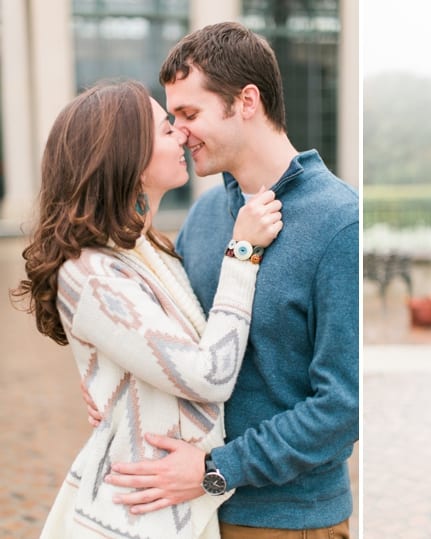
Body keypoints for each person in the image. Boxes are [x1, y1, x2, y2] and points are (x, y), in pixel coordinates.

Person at [96, 22, 359, 538]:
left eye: (190, 114)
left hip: (288, 521)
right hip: (193, 516)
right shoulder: (207, 215)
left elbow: (341, 407)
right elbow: (184, 347)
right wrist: (112, 385)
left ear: (247, 101)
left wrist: (219, 469)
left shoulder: (340, 223)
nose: (179, 131)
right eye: (172, 117)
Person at [12, 80, 283, 538]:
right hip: (135, 516)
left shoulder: (145, 245)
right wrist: (242, 254)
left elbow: (161, 354)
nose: (181, 134)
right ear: (127, 157)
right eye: (164, 129)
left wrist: (111, 384)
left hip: (168, 506)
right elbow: (209, 375)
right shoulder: (92, 272)